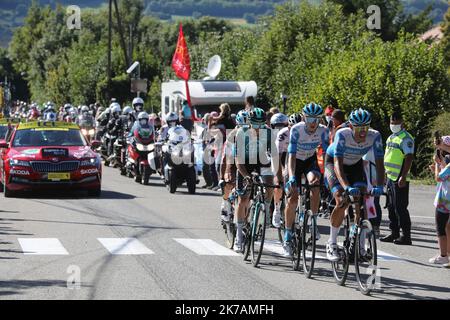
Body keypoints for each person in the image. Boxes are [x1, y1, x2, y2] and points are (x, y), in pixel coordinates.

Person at [325, 108, 385, 262]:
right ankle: (331, 242)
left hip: (355, 165)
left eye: (366, 127)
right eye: (359, 128)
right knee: (342, 200)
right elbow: (338, 165)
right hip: (335, 164)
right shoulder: (342, 134)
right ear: (351, 127)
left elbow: (379, 164)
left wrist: (379, 186)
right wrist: (346, 187)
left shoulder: (375, 136)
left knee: (361, 198)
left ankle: (359, 243)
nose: (363, 132)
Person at [283, 103, 330, 257]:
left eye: (316, 119)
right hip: (295, 162)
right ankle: (288, 233)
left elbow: (325, 155)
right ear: (304, 118)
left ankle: (313, 222)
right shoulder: (296, 129)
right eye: (309, 119)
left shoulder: (323, 131)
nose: (313, 123)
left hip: (310, 160)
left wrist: (327, 175)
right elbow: (291, 157)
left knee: (315, 183)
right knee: (293, 197)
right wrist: (291, 177)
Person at [233, 108, 275, 253]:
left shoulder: (268, 132)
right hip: (245, 164)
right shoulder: (241, 133)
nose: (258, 128)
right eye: (255, 125)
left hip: (261, 161)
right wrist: (246, 176)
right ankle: (239, 237)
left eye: (261, 124)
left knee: (270, 183)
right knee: (243, 199)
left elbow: (274, 156)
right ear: (249, 123)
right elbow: (238, 160)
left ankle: (267, 211)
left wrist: (279, 176)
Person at [381, 111, 415, 245]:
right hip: (390, 177)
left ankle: (406, 236)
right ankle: (394, 232)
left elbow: (409, 157)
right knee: (390, 206)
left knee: (400, 207)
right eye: (392, 122)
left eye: (396, 123)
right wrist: (384, 173)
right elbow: (388, 156)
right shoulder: (391, 137)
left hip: (400, 178)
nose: (393, 125)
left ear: (402, 123)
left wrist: (403, 176)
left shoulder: (405, 138)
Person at [220, 110, 249, 222]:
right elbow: (226, 158)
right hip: (232, 161)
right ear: (237, 124)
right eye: (242, 126)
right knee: (229, 182)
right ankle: (225, 202)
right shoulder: (232, 135)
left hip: (246, 162)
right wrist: (224, 176)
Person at [429, 136, 450, 266]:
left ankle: (443, 256)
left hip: (445, 201)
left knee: (440, 228)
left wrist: (437, 165)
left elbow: (439, 178)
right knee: (448, 227)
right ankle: (448, 255)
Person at [271, 112, 290, 228]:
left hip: (286, 156)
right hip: (273, 157)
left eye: (282, 126)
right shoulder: (269, 134)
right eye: (276, 126)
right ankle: (275, 208)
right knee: (276, 180)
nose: (279, 129)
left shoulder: (289, 133)